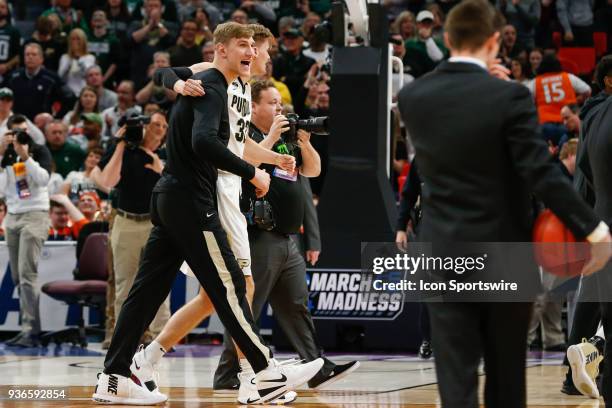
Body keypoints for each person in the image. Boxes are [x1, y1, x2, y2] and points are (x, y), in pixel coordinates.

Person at [93, 22, 323, 406]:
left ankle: (114, 376)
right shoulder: (212, 83)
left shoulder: (233, 87)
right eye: (243, 45)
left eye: (254, 46)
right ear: (220, 50)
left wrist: (265, 160)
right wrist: (253, 173)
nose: (252, 52)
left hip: (172, 196)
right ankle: (263, 372)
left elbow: (229, 140)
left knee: (148, 290)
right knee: (231, 284)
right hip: (193, 198)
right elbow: (203, 140)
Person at [397, 1, 612, 407]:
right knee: (505, 377)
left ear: (447, 39)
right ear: (495, 41)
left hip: (444, 250)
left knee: (455, 375)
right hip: (503, 250)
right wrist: (594, 227)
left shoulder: (413, 96)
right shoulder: (509, 97)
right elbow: (542, 173)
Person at [91, 111, 172, 348]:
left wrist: (161, 170)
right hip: (125, 221)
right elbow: (107, 181)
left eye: (164, 126)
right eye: (155, 124)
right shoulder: (124, 149)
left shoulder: (167, 154)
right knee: (124, 284)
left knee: (159, 282)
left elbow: (180, 186)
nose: (160, 129)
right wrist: (119, 145)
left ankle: (162, 338)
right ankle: (122, 336)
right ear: (144, 127)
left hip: (156, 223)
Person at [0, 115, 53, 348]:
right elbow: (1, 189)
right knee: (16, 277)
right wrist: (3, 155)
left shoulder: (39, 150)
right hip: (12, 216)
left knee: (27, 275)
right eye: (15, 133)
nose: (21, 137)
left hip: (35, 215)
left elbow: (43, 180)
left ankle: (31, 330)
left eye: (24, 132)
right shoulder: (6, 156)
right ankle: (29, 328)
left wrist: (25, 156)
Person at [527, 55, 591, 148]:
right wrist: (578, 100)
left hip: (545, 125)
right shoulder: (568, 77)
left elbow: (525, 98)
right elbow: (588, 90)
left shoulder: (535, 82)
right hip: (567, 124)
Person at [7, 43, 72, 121]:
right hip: (16, 122)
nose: (30, 57)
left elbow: (70, 99)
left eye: (34, 55)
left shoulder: (51, 78)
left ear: (41, 59)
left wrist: (56, 118)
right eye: (27, 54)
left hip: (41, 124)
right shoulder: (13, 77)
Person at [58, 28, 96, 96]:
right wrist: (69, 63)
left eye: (78, 39)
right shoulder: (64, 57)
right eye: (73, 39)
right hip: (67, 93)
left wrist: (78, 59)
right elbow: (60, 77)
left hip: (83, 93)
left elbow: (88, 76)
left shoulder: (90, 58)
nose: (75, 41)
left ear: (83, 41)